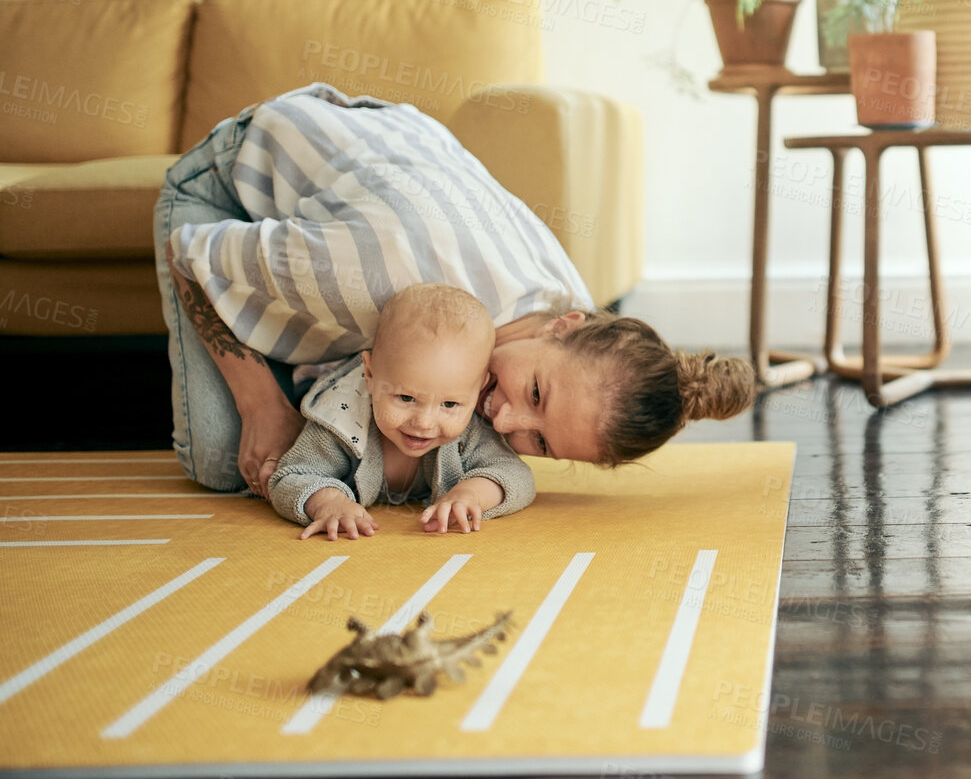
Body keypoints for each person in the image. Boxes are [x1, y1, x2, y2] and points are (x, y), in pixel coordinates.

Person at [155, 82, 754, 497]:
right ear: (565, 325)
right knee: (226, 460)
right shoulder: (368, 269)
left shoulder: (566, 306)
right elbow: (188, 252)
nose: (505, 417)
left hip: (389, 161)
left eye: (540, 443)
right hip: (224, 186)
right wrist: (262, 407)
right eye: (537, 392)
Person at [268, 282, 535, 540]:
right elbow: (291, 476)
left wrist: (471, 494)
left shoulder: (470, 432)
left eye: (449, 404)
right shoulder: (340, 421)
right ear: (370, 374)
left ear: (479, 389)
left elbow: (516, 475)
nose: (424, 422)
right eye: (406, 397)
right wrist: (328, 502)